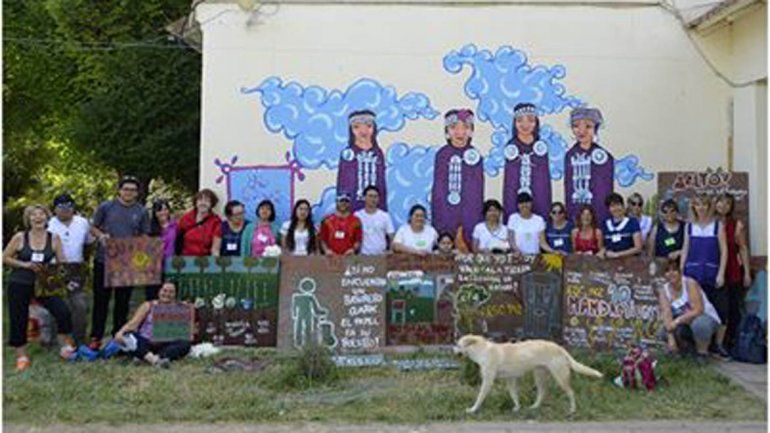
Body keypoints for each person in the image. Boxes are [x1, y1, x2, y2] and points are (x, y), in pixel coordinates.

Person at [3, 205, 76, 371]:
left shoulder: (54, 238)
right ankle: (21, 356)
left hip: (45, 283)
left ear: (47, 217)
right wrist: (25, 264)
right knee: (18, 318)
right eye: (33, 215)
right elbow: (4, 258)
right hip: (20, 282)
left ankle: (64, 345)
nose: (38, 217)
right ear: (28, 219)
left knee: (62, 311)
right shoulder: (20, 237)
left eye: (41, 214)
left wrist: (68, 277)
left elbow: (62, 262)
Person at [89, 176, 151, 350]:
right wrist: (101, 236)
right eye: (126, 189)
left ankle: (118, 336)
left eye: (132, 190)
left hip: (127, 263)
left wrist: (140, 246)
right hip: (104, 260)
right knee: (101, 300)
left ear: (137, 193)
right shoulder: (106, 207)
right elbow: (93, 227)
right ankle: (96, 336)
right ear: (119, 190)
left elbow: (145, 235)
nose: (129, 192)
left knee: (122, 302)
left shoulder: (142, 211)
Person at [681, 193, 729, 357]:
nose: (701, 208)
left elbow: (724, 251)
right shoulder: (689, 226)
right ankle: (697, 345)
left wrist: (721, 273)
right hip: (693, 273)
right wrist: (682, 270)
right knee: (695, 309)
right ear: (693, 207)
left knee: (721, 309)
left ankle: (718, 344)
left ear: (709, 207)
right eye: (697, 204)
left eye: (704, 204)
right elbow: (685, 248)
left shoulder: (717, 226)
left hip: (712, 272)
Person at [431, 109, 484, 251]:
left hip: (469, 209)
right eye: (454, 127)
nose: (460, 132)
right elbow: (439, 188)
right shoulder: (442, 155)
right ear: (447, 131)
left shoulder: (475, 155)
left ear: (471, 131)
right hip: (446, 208)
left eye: (465, 127)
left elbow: (476, 190)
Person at [47, 193, 93, 343]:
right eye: (61, 207)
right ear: (54, 209)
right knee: (57, 306)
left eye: (69, 206)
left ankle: (79, 338)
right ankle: (56, 339)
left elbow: (88, 244)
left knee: (80, 305)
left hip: (76, 269)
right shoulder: (48, 224)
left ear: (73, 207)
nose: (65, 209)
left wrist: (84, 263)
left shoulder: (83, 222)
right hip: (53, 269)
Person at [113, 281, 192, 368]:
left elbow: (183, 330)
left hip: (165, 344)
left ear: (175, 294)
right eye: (164, 291)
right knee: (128, 337)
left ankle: (150, 357)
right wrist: (120, 332)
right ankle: (153, 359)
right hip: (145, 341)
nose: (167, 294)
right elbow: (134, 323)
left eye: (171, 292)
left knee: (185, 343)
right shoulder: (148, 305)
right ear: (159, 291)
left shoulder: (179, 307)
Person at [658, 258, 721, 362]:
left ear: (680, 272)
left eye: (674, 270)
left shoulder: (689, 283)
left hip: (705, 317)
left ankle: (702, 354)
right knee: (662, 331)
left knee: (699, 325)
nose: (671, 273)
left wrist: (677, 321)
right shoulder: (664, 290)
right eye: (667, 271)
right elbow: (666, 313)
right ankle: (683, 352)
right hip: (685, 321)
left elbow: (698, 310)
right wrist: (670, 337)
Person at [564, 107, 614, 223]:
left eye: (588, 126)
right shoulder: (569, 155)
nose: (582, 131)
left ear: (595, 129)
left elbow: (605, 189)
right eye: (576, 126)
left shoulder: (604, 157)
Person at [715, 193, 752, 351]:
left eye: (727, 203)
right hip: (713, 269)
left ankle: (730, 342)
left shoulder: (736, 225)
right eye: (720, 202)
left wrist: (747, 273)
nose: (723, 206)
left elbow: (742, 248)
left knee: (732, 308)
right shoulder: (709, 222)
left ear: (731, 207)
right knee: (716, 307)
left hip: (732, 270)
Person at [502, 103, 552, 219]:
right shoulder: (511, 147)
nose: (525, 125)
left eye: (530, 120)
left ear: (536, 123)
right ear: (515, 123)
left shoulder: (541, 148)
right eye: (520, 120)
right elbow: (510, 181)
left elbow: (543, 180)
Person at [337, 110, 388, 212]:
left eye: (368, 126)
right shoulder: (348, 154)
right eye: (356, 127)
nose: (363, 131)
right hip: (354, 206)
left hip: (376, 208)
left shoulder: (378, 153)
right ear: (351, 130)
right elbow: (343, 183)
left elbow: (382, 183)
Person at [147, 199, 177, 301]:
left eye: (165, 209)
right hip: (154, 266)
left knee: (169, 294)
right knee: (153, 294)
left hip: (171, 265)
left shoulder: (175, 226)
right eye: (159, 210)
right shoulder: (149, 228)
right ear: (155, 213)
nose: (163, 212)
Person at [177, 189, 222, 257]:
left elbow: (215, 249)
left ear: (211, 204)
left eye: (207, 200)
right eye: (200, 200)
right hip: (185, 259)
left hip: (205, 260)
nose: (203, 203)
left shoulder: (216, 222)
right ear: (196, 202)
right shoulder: (186, 218)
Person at [599, 193, 642, 259]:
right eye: (612, 206)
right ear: (609, 209)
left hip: (630, 261)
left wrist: (618, 254)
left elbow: (638, 248)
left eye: (618, 205)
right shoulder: (605, 224)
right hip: (610, 261)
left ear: (623, 206)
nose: (616, 208)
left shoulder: (632, 222)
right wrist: (604, 252)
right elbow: (602, 246)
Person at [355, 186, 395, 255]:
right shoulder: (357, 216)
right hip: (363, 256)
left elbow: (392, 237)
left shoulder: (385, 216)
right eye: (370, 196)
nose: (373, 199)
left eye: (375, 196)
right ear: (364, 198)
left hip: (381, 256)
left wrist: (390, 251)